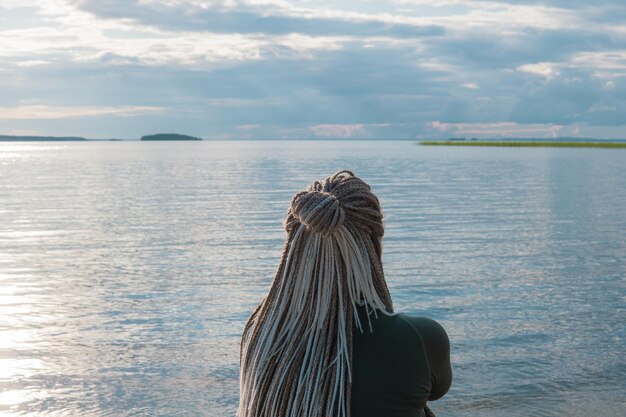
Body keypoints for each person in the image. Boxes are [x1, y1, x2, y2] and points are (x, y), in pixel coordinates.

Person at [237, 170, 452, 417]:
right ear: (373, 242)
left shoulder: (260, 334)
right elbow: (438, 389)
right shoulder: (419, 339)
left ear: (294, 245)